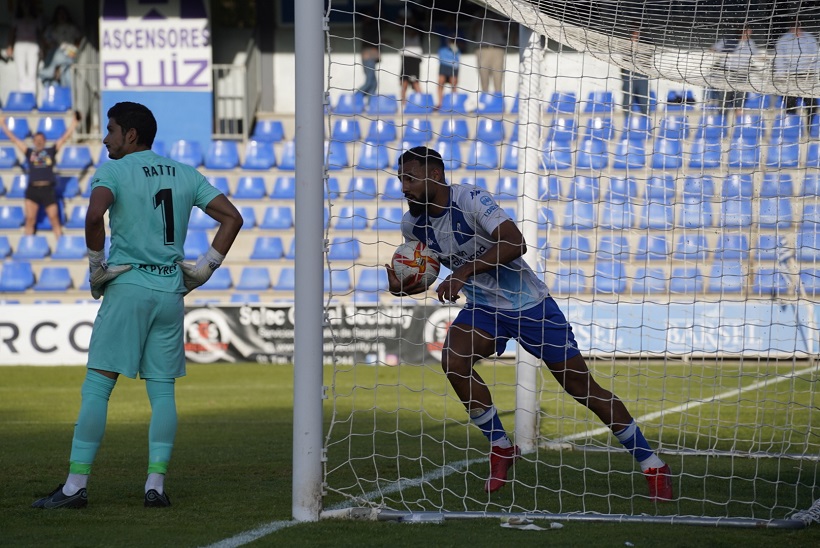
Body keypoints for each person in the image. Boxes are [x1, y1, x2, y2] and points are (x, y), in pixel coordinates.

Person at [385, 146, 673, 500]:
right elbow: (421, 270)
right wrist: (401, 287)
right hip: (484, 308)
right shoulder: (411, 224)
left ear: (436, 175)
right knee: (454, 361)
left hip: (530, 305)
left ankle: (652, 464)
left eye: (410, 178)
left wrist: (463, 271)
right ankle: (502, 447)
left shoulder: (471, 199)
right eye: (401, 178)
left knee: (583, 391)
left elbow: (515, 242)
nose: (404, 187)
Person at [31, 102, 243, 510]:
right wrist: (205, 269)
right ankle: (155, 486)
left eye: (110, 130)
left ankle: (75, 487)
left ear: (130, 135)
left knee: (98, 386)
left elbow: (95, 216)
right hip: (170, 292)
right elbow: (232, 218)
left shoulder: (114, 170)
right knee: (162, 392)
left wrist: (96, 266)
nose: (106, 138)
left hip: (128, 284)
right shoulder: (184, 172)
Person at [0, 110, 81, 239]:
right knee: (30, 220)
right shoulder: (29, 152)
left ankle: (60, 244)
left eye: (41, 139)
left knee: (54, 219)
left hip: (47, 189)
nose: (38, 141)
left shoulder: (50, 151)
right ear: (33, 142)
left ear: (44, 141)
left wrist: (74, 123)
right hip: (33, 189)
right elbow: (14, 140)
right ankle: (27, 247)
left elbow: (64, 138)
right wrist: (3, 124)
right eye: (36, 139)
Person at [708, 25, 761, 116]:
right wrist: (723, 53)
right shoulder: (728, 40)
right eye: (747, 32)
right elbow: (713, 49)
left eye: (749, 33)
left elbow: (756, 55)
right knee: (724, 95)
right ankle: (722, 114)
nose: (748, 35)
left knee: (740, 95)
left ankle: (737, 115)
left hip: (741, 73)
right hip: (727, 72)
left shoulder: (750, 43)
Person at [774, 20, 819, 125]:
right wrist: (782, 75)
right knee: (790, 105)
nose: (796, 29)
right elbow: (779, 60)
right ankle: (791, 129)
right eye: (794, 27)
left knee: (812, 105)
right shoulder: (783, 40)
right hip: (790, 76)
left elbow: (816, 57)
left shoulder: (810, 39)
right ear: (790, 27)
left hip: (807, 76)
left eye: (798, 26)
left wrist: (815, 73)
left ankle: (808, 130)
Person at [39, 5, 83, 88]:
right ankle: (55, 70)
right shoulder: (51, 28)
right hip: (55, 54)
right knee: (64, 70)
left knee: (65, 68)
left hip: (69, 54)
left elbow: (79, 43)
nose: (62, 16)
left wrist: (71, 48)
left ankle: (53, 71)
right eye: (60, 14)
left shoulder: (72, 27)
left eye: (63, 14)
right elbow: (45, 41)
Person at [6, 1, 42, 93]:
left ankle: (32, 98)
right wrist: (10, 46)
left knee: (32, 73)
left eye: (28, 3)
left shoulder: (36, 18)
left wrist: (42, 48)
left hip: (33, 45)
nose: (26, 6)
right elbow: (12, 34)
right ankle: (23, 97)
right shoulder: (17, 19)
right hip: (19, 46)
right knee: (21, 74)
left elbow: (39, 34)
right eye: (24, 3)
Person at [472, 15, 508, 94]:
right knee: (483, 76)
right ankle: (485, 101)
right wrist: (482, 18)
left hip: (497, 49)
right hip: (483, 49)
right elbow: (473, 32)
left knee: (498, 77)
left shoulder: (500, 14)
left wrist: (495, 19)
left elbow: (505, 31)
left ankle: (498, 100)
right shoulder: (478, 14)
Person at [621, 29, 649, 115]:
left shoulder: (646, 42)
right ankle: (627, 119)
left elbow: (648, 57)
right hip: (629, 73)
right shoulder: (626, 44)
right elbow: (624, 59)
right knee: (627, 99)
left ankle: (646, 120)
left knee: (644, 99)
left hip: (641, 73)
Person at [399, 13, 423, 108]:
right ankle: (403, 105)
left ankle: (421, 104)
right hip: (406, 57)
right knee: (403, 82)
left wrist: (405, 25)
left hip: (414, 57)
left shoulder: (419, 28)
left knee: (415, 81)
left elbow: (412, 33)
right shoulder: (404, 28)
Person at [355, 10, 380, 101]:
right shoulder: (366, 26)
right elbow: (369, 43)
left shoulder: (373, 26)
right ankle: (354, 98)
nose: (370, 17)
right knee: (369, 81)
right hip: (368, 55)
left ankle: (370, 103)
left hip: (371, 56)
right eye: (367, 16)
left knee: (374, 83)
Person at [436, 36, 461, 110]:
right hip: (443, 64)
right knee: (440, 83)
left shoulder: (455, 46)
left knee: (453, 84)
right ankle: (440, 103)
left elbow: (458, 51)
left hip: (453, 65)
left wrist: (453, 44)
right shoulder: (442, 43)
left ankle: (455, 104)